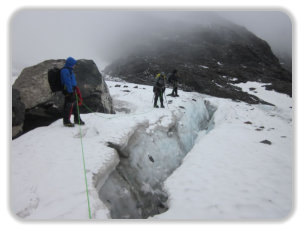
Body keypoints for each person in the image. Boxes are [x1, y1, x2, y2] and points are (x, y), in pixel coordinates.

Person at [60, 57, 85, 127]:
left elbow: (71, 81)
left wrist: (74, 90)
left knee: (75, 105)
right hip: (68, 91)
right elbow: (67, 82)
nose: (75, 65)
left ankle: (77, 119)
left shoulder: (70, 70)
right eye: (74, 64)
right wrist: (70, 92)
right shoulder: (65, 71)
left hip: (72, 90)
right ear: (70, 64)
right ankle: (66, 121)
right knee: (68, 106)